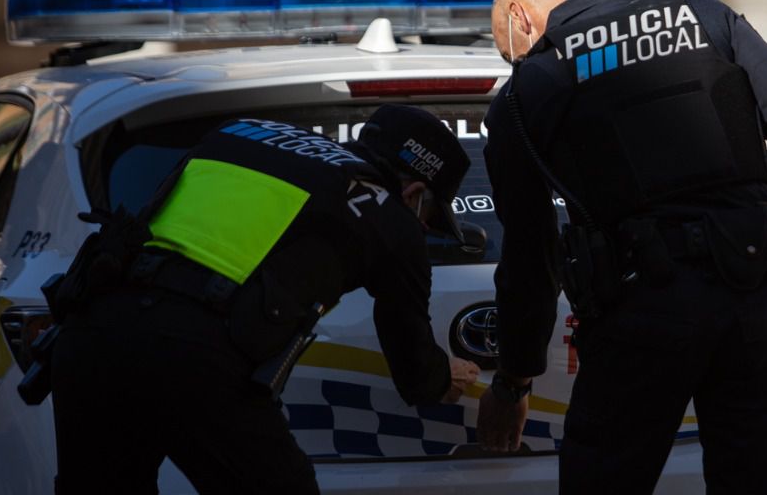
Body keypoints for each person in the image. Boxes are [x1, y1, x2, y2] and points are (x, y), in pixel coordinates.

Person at [476, 0, 767, 494]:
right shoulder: (702, 15)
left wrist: (512, 381)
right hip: (762, 294)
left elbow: (531, 255)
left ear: (521, 19)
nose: (517, 64)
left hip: (645, 309)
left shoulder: (524, 98)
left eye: (512, 53)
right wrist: (747, 216)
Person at [50, 104, 481, 494]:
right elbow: (416, 372)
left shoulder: (240, 132)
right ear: (415, 193)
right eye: (429, 218)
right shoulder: (393, 217)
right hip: (196, 359)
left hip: (91, 333)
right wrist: (446, 377)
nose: (423, 230)